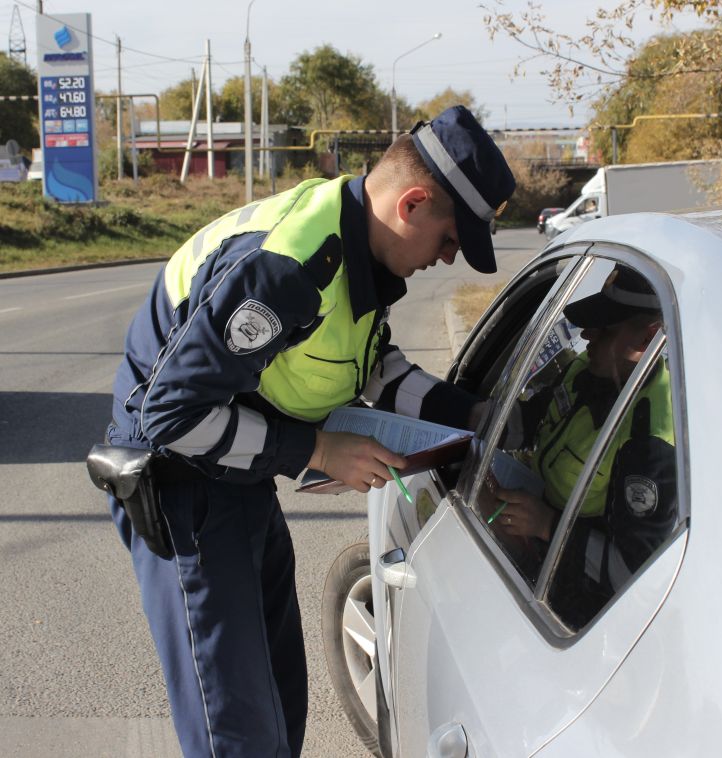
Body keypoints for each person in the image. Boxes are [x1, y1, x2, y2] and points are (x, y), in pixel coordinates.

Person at [100, 105, 515, 758]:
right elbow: (171, 416)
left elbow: (375, 369)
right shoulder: (292, 266)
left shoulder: (357, 247)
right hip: (180, 483)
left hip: (241, 470)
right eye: (448, 241)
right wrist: (320, 449)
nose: (445, 260)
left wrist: (470, 416)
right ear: (412, 203)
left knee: (280, 706)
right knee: (238, 735)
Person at [491, 265, 677, 626]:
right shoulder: (589, 369)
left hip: (580, 611)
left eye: (604, 329)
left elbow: (637, 578)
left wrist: (546, 524)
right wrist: (467, 422)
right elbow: (528, 422)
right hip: (542, 553)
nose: (587, 334)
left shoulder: (651, 442)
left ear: (647, 341)